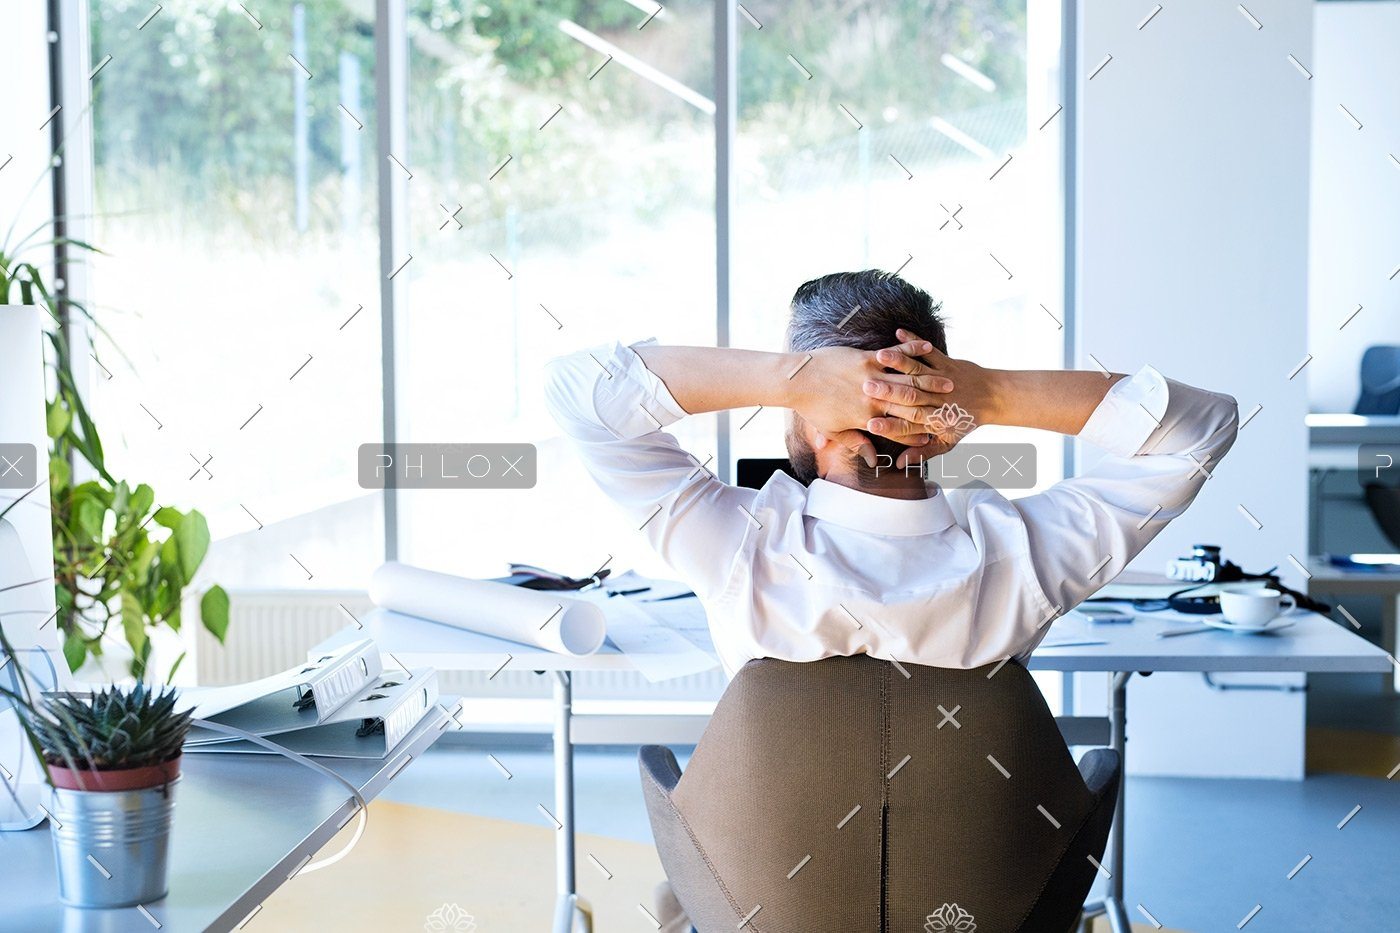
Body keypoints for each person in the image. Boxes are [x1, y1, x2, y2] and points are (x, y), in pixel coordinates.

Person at [544, 268, 1240, 680]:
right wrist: (986, 392)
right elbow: (1204, 427)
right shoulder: (1028, 556)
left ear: (811, 412)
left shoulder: (736, 547)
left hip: (765, 902)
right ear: (943, 421)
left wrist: (793, 378)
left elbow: (577, 392)